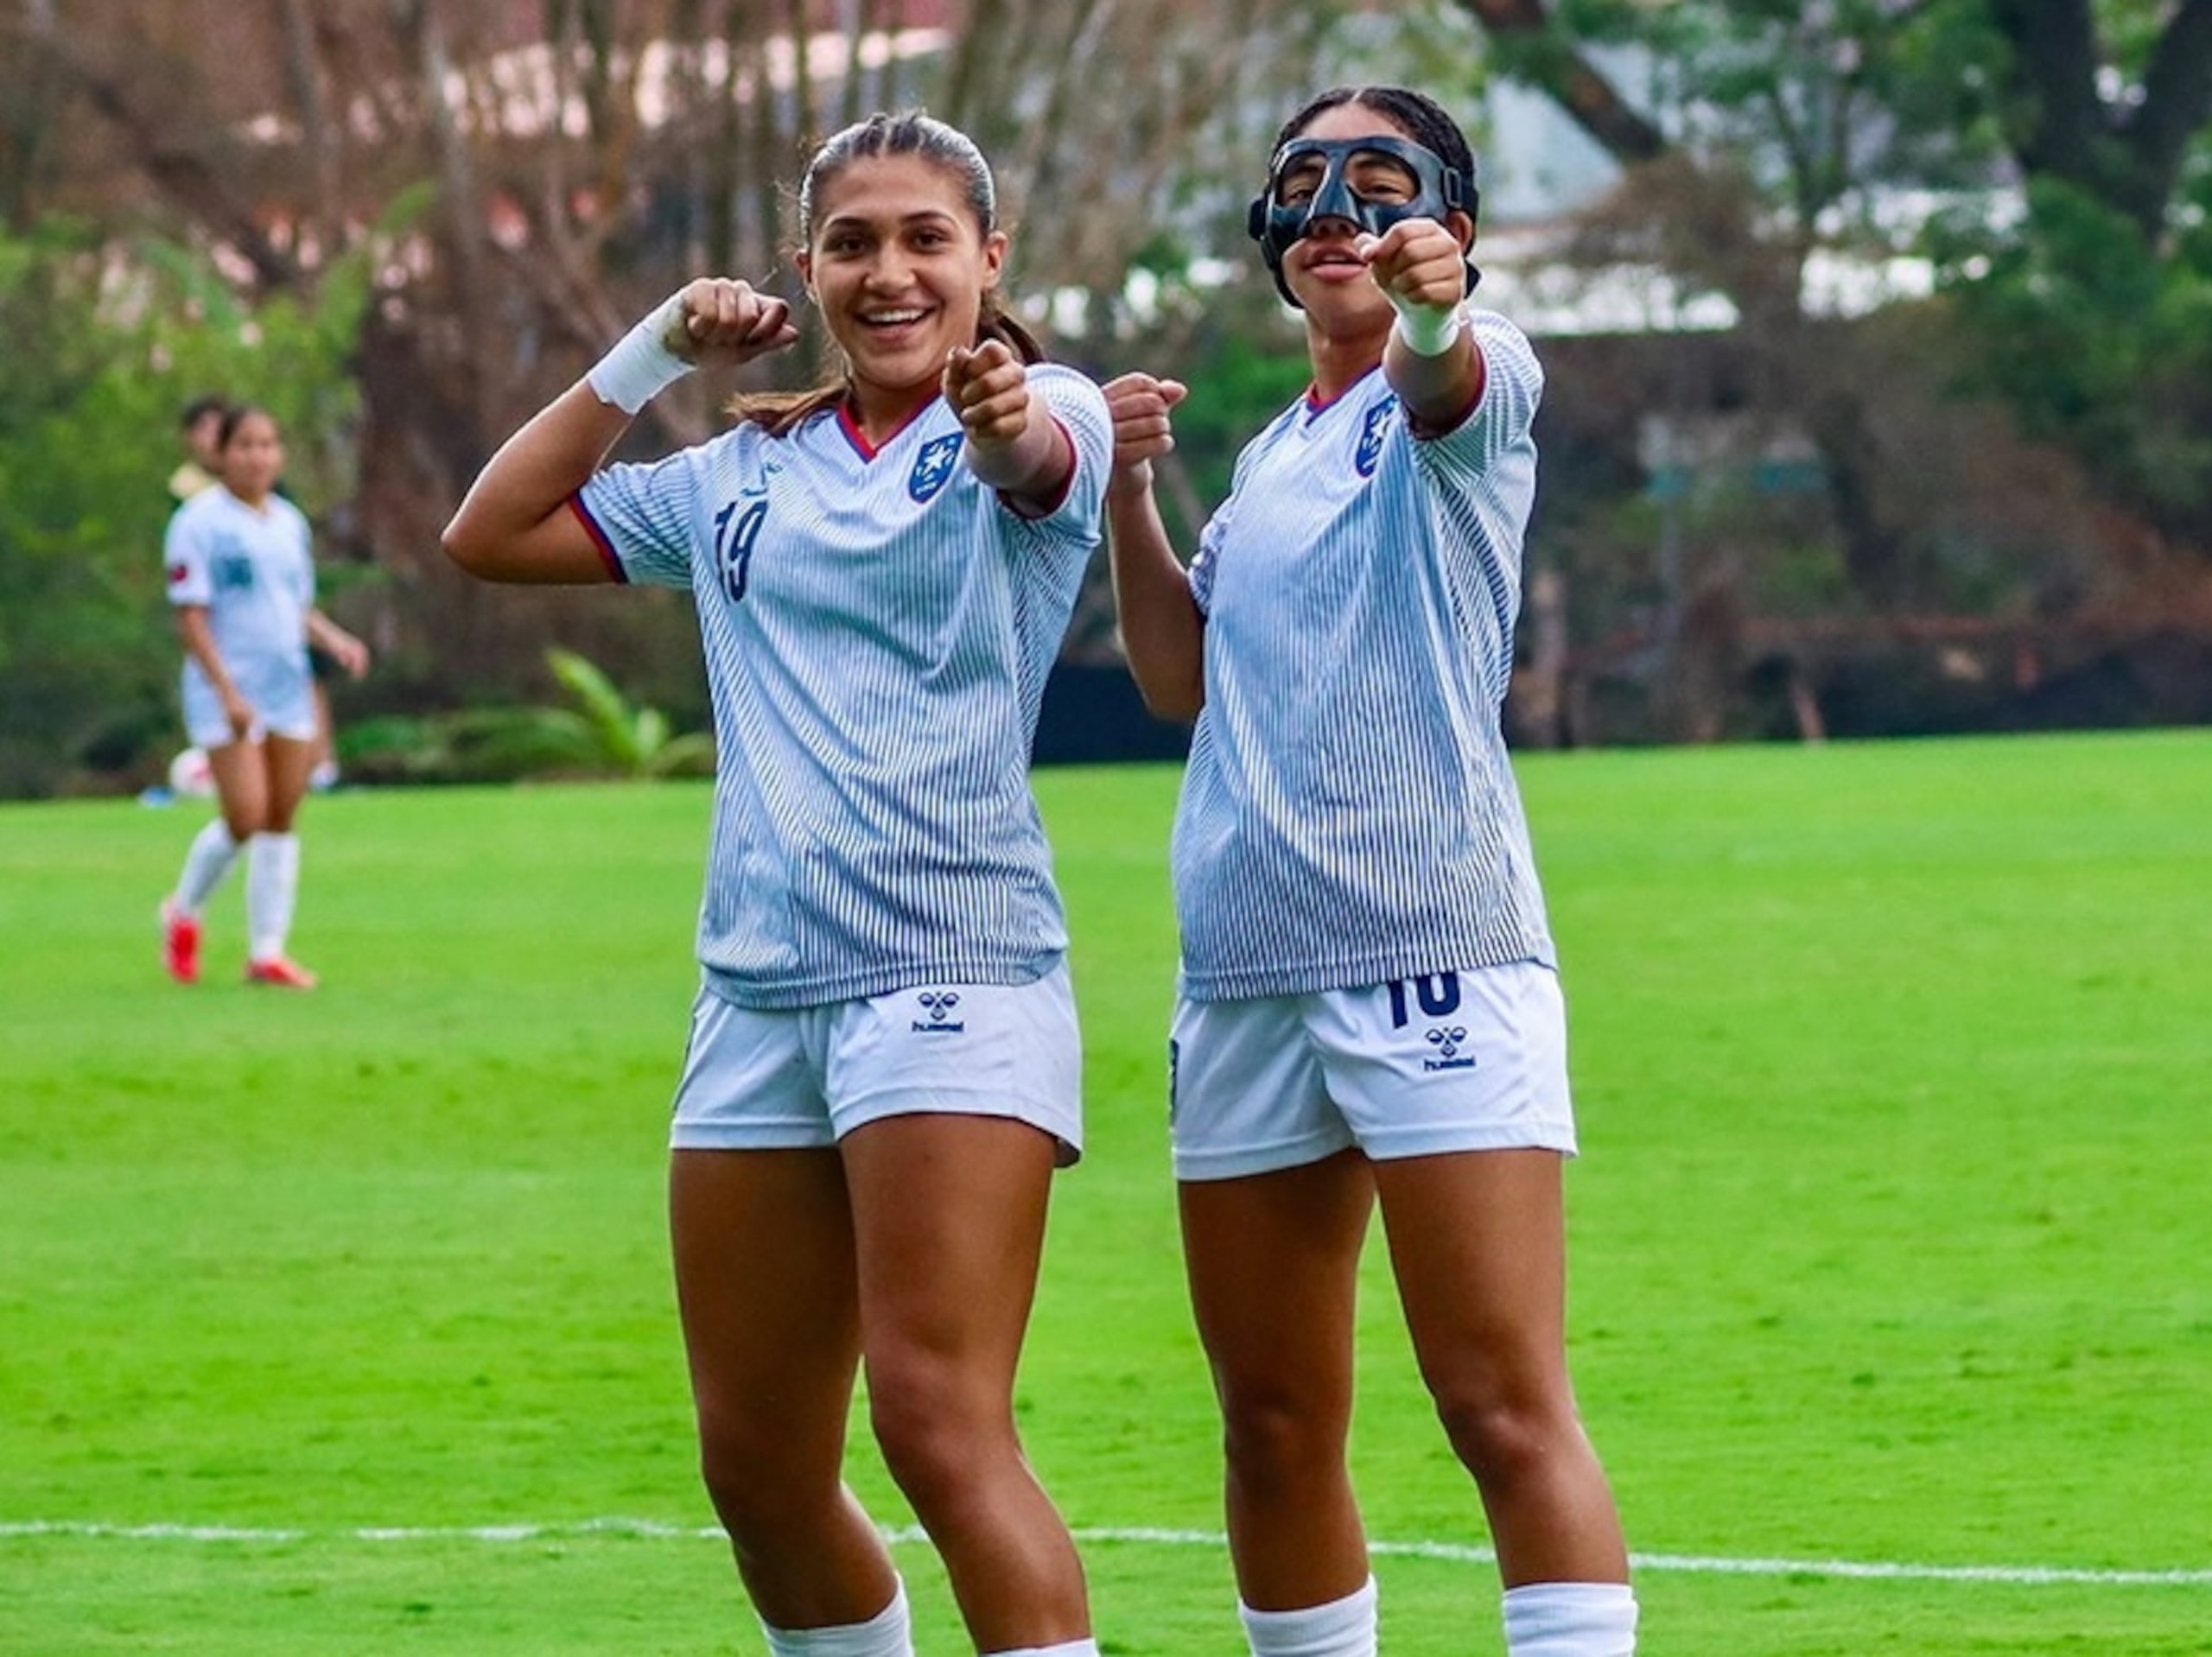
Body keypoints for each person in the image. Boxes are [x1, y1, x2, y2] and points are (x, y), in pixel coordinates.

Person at [441, 111, 1112, 1657]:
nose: (890, 270)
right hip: (755, 997)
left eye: (926, 237)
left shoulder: (1032, 405)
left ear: (988, 259)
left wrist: (1004, 407)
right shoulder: (736, 471)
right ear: (803, 266)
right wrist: (650, 352)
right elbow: (490, 532)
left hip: (951, 979)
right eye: (854, 240)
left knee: (940, 1424)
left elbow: (1036, 456)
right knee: (755, 1462)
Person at [1102, 86, 1639, 1657]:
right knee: (1271, 1420)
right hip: (1245, 976)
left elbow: (1447, 369)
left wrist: (1433, 307)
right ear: (1272, 236)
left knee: (1497, 1400)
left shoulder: (1473, 371)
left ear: (1449, 227)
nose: (1335, 207)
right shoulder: (1272, 454)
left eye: (1380, 182)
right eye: (1305, 184)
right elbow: (1176, 682)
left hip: (1434, 953)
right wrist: (1132, 490)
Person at [159, 404, 371, 989]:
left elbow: (296, 605)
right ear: (221, 454)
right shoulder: (198, 523)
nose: (258, 457)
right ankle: (183, 911)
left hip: (285, 687)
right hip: (225, 690)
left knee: (281, 816)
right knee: (245, 815)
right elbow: (192, 619)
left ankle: (267, 953)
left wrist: (337, 640)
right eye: (245, 445)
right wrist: (226, 691)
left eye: (268, 445)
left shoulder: (288, 523)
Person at [168, 393, 229, 505]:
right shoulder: (185, 485)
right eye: (206, 431)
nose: (216, 439)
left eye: (221, 430)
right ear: (190, 438)